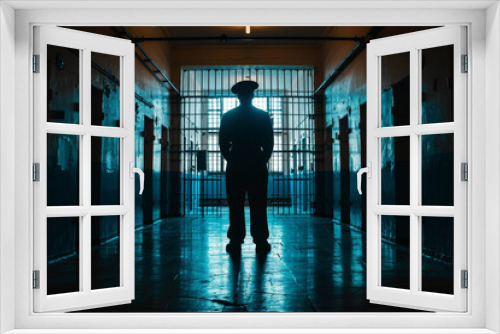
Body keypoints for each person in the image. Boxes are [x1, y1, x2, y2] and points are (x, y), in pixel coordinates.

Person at [219, 80, 274, 254]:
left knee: (235, 204)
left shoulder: (228, 116)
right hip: (256, 164)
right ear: (252, 95)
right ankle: (261, 240)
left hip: (236, 164)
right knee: (259, 204)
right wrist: (261, 159)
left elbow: (222, 143)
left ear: (238, 97)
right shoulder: (263, 116)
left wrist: (232, 158)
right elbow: (269, 143)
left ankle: (235, 240)